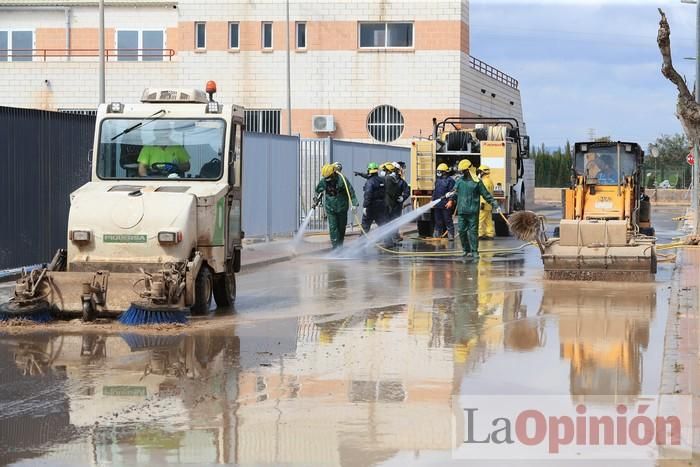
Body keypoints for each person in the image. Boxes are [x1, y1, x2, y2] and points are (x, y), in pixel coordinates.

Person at [449, 159, 499, 259]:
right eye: (461, 171)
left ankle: (474, 251)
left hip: (473, 211)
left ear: (468, 170)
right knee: (462, 231)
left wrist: (495, 205)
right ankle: (466, 250)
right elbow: (455, 192)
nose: (462, 173)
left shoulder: (477, 183)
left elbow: (486, 195)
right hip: (462, 211)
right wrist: (451, 199)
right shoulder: (459, 182)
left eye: (463, 171)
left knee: (473, 232)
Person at [315, 164, 358, 249]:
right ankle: (335, 248)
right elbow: (318, 190)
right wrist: (317, 199)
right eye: (326, 178)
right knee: (333, 227)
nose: (327, 179)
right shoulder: (324, 181)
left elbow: (351, 191)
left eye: (329, 177)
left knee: (341, 227)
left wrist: (354, 204)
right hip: (330, 207)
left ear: (333, 173)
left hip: (342, 207)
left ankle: (340, 246)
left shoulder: (342, 180)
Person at [432, 163, 455, 240]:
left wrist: (450, 201)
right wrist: (432, 201)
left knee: (447, 220)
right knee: (438, 220)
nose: (438, 172)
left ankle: (451, 235)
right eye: (438, 171)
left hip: (446, 204)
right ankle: (437, 235)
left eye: (440, 171)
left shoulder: (450, 181)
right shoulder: (438, 180)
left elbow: (452, 192)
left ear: (445, 172)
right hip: (437, 204)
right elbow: (435, 192)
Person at [361, 162, 386, 232]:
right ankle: (388, 242)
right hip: (381, 206)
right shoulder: (383, 180)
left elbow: (368, 194)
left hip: (371, 207)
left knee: (365, 225)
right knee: (383, 225)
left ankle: (362, 242)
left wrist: (365, 206)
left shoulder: (370, 182)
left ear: (369, 170)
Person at [477, 165, 496, 240]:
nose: (479, 173)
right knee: (488, 220)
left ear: (483, 172)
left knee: (480, 220)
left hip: (484, 204)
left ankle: (480, 234)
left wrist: (482, 203)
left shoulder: (484, 182)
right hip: (489, 204)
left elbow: (484, 194)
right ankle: (490, 234)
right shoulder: (490, 181)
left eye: (480, 172)